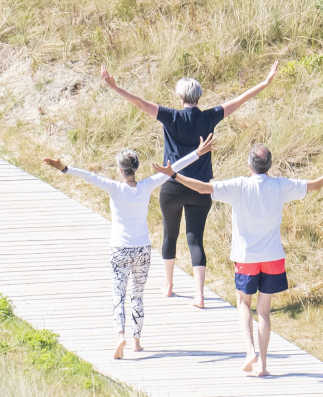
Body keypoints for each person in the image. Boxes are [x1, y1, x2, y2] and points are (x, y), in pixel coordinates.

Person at [166, 138, 323, 378]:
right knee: (264, 312)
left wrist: (174, 175)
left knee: (243, 303)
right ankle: (264, 366)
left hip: (246, 257)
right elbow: (315, 184)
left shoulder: (239, 186)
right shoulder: (280, 185)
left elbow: (204, 188)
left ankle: (250, 351)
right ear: (270, 165)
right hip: (273, 257)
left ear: (249, 166)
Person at [97, 61, 278, 308]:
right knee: (196, 239)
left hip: (171, 186)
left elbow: (139, 102)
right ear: (199, 96)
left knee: (170, 236)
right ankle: (199, 295)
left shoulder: (170, 116)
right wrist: (265, 82)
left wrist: (114, 87)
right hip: (201, 188)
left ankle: (169, 286)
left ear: (180, 96)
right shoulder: (209, 117)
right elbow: (241, 100)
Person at [42, 148, 172, 359]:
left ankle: (120, 335)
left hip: (120, 249)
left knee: (118, 295)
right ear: (136, 168)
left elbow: (90, 177)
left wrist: (65, 168)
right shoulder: (148, 185)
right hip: (143, 249)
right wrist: (198, 153)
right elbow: (176, 167)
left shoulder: (115, 188)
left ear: (120, 170)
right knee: (137, 295)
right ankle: (136, 342)